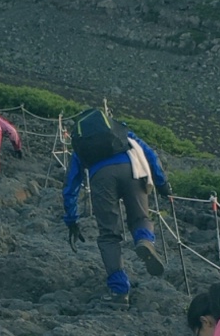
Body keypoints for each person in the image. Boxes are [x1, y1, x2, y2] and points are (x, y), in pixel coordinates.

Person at [62, 107, 169, 299]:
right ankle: (144, 240)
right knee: (140, 218)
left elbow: (71, 183)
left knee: (109, 235)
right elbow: (149, 153)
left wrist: (71, 218)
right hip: (131, 170)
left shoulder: (82, 143)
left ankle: (120, 291)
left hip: (101, 178)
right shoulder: (119, 130)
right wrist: (162, 184)